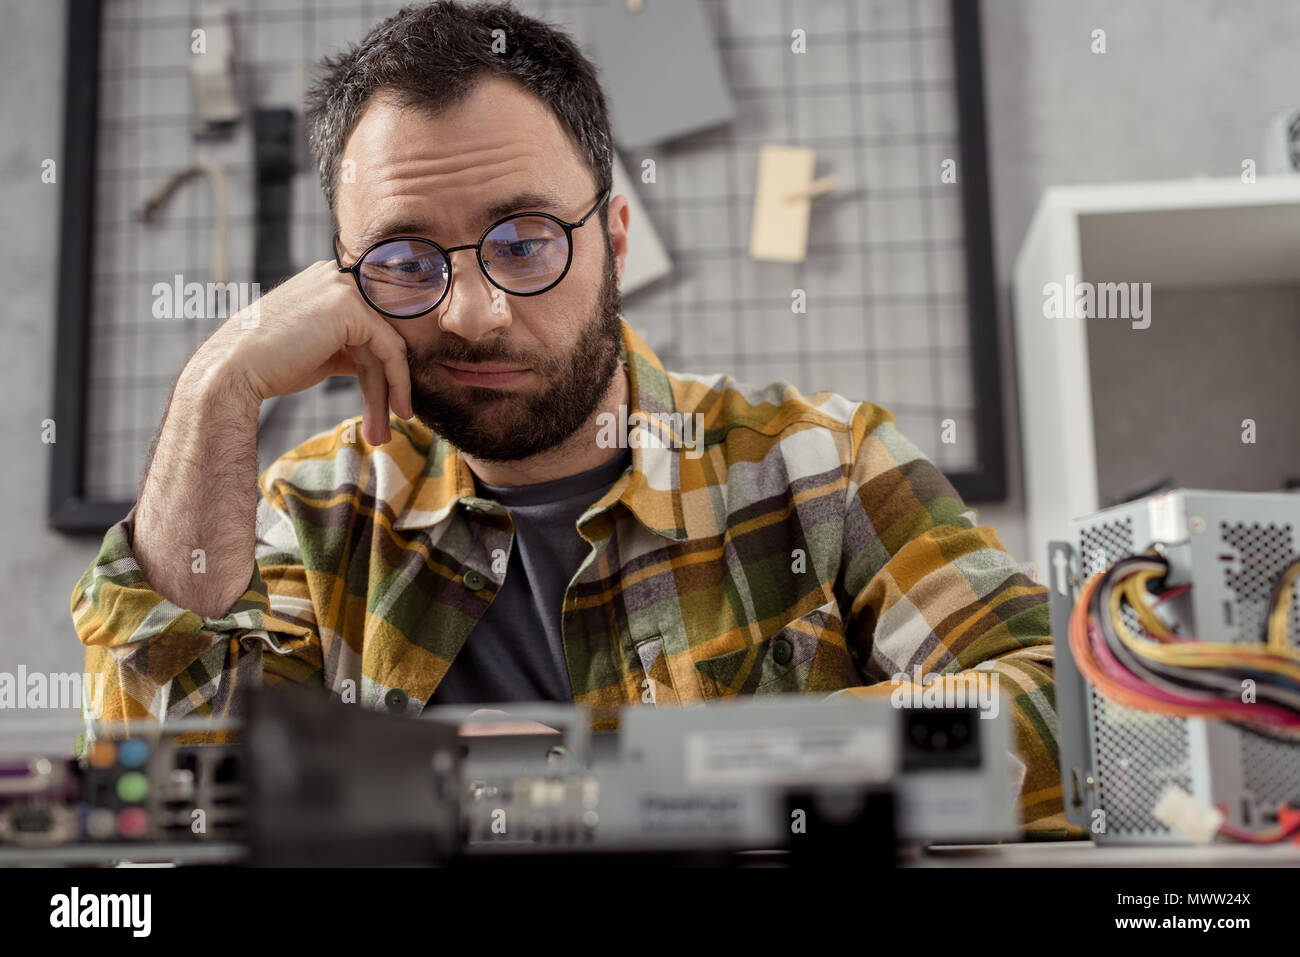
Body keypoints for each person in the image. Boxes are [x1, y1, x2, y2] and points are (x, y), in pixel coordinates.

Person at [70, 0, 1068, 834]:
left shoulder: (823, 469)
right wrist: (214, 389)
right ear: (343, 286)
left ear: (616, 240)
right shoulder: (315, 516)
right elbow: (166, 806)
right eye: (406, 263)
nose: (473, 312)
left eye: (525, 239)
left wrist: (658, 781)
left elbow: (1054, 709)